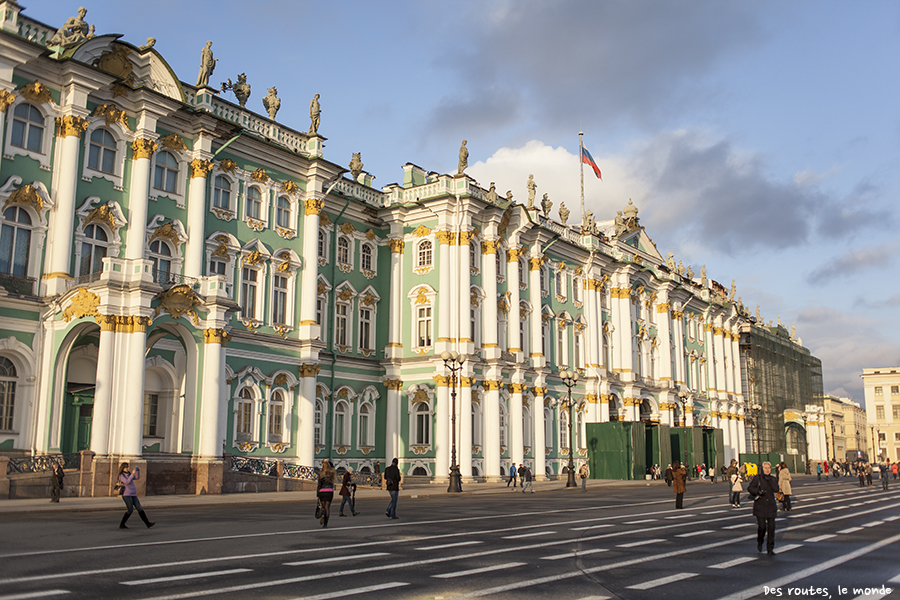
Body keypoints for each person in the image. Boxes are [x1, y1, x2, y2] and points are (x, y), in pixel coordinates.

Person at [748, 461, 779, 555]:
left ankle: (770, 548)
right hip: (760, 505)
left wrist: (769, 480)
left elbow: (776, 489)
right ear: (762, 469)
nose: (767, 470)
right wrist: (758, 491)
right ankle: (760, 540)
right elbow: (750, 488)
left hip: (771, 506)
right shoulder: (758, 478)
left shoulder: (773, 479)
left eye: (769, 468)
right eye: (765, 468)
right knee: (762, 526)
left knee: (771, 528)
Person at [117, 462, 154, 529]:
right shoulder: (121, 475)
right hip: (126, 495)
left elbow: (137, 477)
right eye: (126, 467)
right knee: (130, 510)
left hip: (133, 494)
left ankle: (147, 523)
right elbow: (127, 482)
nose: (127, 468)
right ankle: (122, 524)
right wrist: (132, 474)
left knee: (139, 508)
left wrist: (137, 471)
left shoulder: (128, 474)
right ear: (123, 468)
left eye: (128, 467)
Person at [316, 459, 336, 528]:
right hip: (329, 491)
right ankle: (325, 523)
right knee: (327, 507)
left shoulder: (320, 474)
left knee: (323, 506)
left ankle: (322, 514)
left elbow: (319, 485)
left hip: (322, 491)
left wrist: (318, 494)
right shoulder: (331, 473)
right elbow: (333, 468)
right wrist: (328, 462)